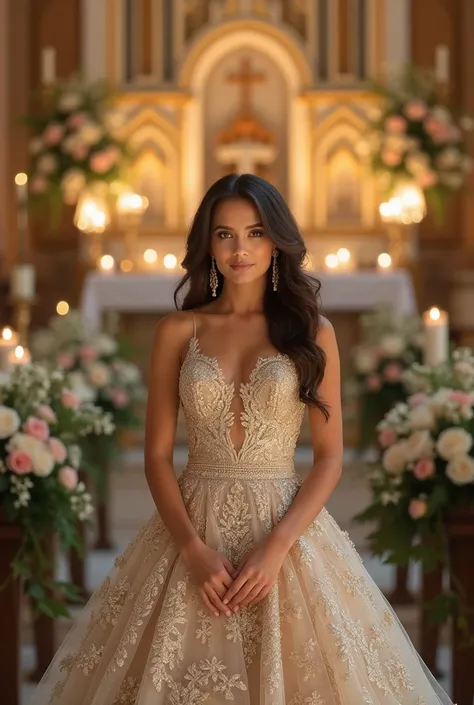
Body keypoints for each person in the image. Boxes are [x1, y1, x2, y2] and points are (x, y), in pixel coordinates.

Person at [31, 174, 453, 704]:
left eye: (254, 233)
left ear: (276, 240)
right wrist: (192, 549)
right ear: (207, 242)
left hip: (285, 530)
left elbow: (329, 459)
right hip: (192, 527)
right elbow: (157, 456)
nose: (240, 250)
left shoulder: (313, 332)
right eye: (225, 234)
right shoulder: (177, 331)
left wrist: (276, 549)